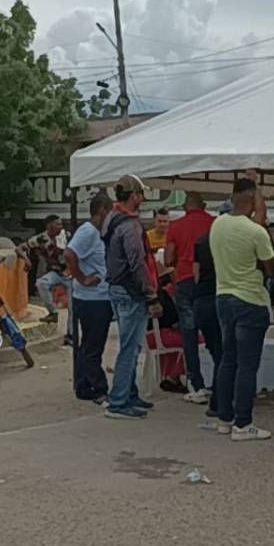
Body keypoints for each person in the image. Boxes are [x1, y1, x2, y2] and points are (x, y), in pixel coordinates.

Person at [210, 178, 274, 442]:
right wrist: (263, 223)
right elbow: (272, 267)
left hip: (223, 296)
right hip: (250, 300)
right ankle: (243, 423)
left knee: (228, 360)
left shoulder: (217, 224)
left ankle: (224, 418)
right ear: (252, 200)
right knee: (248, 365)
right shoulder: (256, 232)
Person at [103, 175, 162, 420]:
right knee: (130, 348)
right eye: (141, 194)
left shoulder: (112, 219)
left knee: (133, 345)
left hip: (118, 288)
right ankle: (118, 401)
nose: (143, 199)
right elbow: (137, 263)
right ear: (134, 196)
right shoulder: (130, 226)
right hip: (130, 291)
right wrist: (151, 296)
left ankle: (130, 393)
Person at [164, 192, 217, 404]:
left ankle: (197, 384)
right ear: (203, 205)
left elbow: (168, 257)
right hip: (210, 282)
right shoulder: (214, 223)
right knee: (215, 334)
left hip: (185, 282)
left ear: (186, 207)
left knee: (190, 335)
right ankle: (221, 382)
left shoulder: (176, 227)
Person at [65, 194, 114, 405]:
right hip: (92, 299)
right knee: (94, 346)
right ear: (102, 210)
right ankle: (98, 388)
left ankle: (84, 385)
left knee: (89, 345)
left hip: (99, 297)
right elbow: (69, 254)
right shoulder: (88, 232)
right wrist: (82, 278)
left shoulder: (100, 233)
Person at [192, 205, 228, 418]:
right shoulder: (229, 242)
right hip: (221, 298)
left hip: (201, 301)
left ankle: (218, 399)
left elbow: (196, 274)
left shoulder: (202, 241)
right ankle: (219, 402)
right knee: (224, 354)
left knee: (217, 352)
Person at [17, 215, 69, 325]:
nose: (61, 226)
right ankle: (53, 312)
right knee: (41, 283)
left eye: (61, 224)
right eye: (58, 224)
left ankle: (70, 335)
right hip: (57, 272)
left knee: (73, 307)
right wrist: (26, 259)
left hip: (72, 273)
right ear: (50, 226)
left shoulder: (66, 235)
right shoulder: (41, 239)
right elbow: (20, 248)